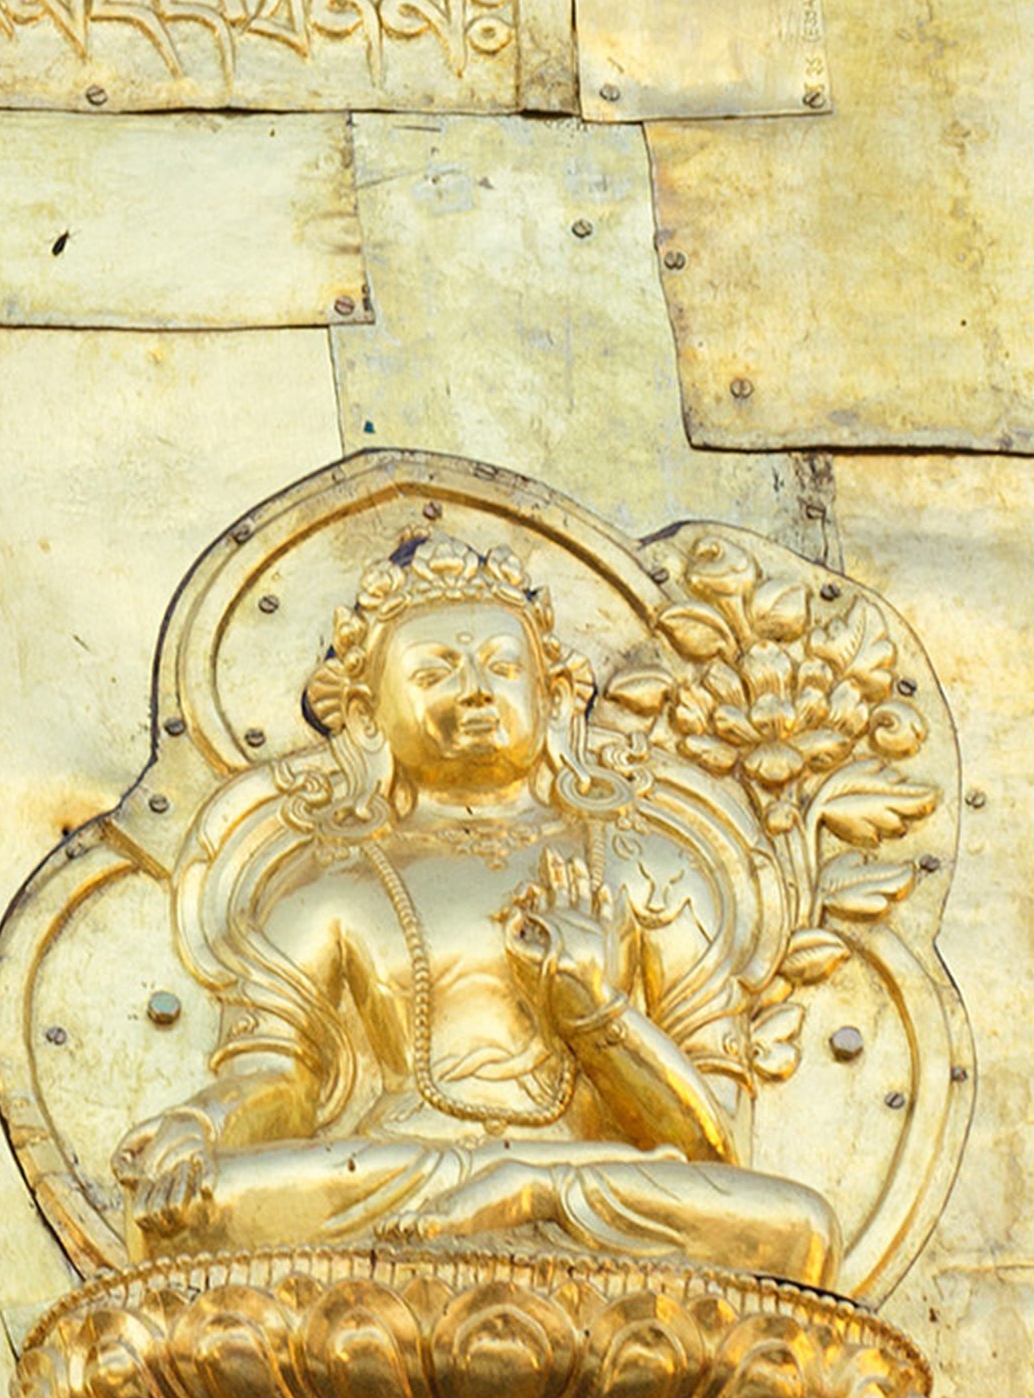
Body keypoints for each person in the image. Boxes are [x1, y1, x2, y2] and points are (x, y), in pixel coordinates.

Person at [111, 536, 845, 1283]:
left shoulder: (649, 867)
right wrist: (200, 1127)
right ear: (365, 719)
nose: (474, 690)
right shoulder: (326, 883)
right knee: (180, 1221)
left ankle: (531, 1194)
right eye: (435, 671)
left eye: (500, 666)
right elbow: (281, 1078)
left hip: (589, 1181)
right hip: (398, 1170)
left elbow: (710, 1146)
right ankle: (515, 1200)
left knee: (798, 1231)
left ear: (555, 699)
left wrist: (596, 1010)